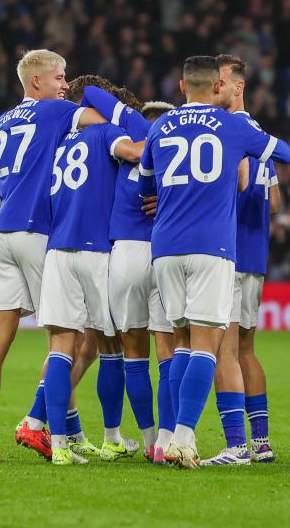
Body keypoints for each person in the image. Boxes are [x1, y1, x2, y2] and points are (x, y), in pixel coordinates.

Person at [139, 55, 290, 469]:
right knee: (212, 344)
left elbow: (145, 185)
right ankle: (188, 439)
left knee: (180, 341)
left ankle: (172, 438)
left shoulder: (159, 125)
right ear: (218, 87)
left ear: (181, 85)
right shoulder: (235, 126)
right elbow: (287, 155)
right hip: (215, 246)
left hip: (165, 246)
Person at [0, 49, 106, 462]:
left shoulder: (3, 120)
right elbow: (104, 122)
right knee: (70, 337)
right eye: (59, 77)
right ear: (36, 82)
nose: (65, 86)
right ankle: (34, 421)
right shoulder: (52, 111)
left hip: (1, 231)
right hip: (35, 229)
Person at [35, 78, 144, 466]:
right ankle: (112, 438)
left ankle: (59, 447)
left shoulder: (59, 141)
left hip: (57, 250)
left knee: (60, 347)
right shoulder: (106, 132)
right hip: (97, 250)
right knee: (110, 346)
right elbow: (135, 152)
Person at [76, 78, 175, 461]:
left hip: (125, 254)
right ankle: (166, 442)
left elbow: (92, 94)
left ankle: (148, 441)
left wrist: (123, 114)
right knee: (168, 354)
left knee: (132, 354)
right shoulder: (175, 159)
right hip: (164, 253)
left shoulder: (125, 148)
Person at [200, 54, 281, 466]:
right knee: (246, 349)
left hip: (227, 254)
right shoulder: (261, 135)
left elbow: (237, 182)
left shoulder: (227, 132)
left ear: (238, 86)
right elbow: (276, 202)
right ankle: (261, 442)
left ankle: (235, 445)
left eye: (221, 81)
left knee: (223, 350)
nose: (216, 88)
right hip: (256, 255)